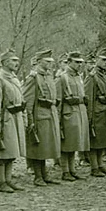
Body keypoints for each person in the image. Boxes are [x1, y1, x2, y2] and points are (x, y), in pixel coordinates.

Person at [0, 49, 26, 192]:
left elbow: (21, 101)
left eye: (16, 60)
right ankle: (1, 182)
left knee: (11, 152)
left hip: (15, 118)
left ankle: (8, 180)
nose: (16, 63)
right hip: (5, 120)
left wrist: (24, 119)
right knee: (1, 153)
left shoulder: (14, 79)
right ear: (4, 63)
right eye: (13, 60)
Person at [23, 49, 62, 186]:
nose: (50, 64)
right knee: (37, 146)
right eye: (47, 61)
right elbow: (28, 101)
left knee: (46, 146)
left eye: (51, 61)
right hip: (39, 115)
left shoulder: (48, 76)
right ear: (39, 62)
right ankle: (38, 176)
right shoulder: (33, 78)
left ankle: (44, 174)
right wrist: (29, 120)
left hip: (50, 113)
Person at [84, 50, 106, 177]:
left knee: (103, 140)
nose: (105, 63)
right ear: (97, 60)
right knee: (95, 141)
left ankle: (100, 164)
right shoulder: (92, 77)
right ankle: (94, 167)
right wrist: (90, 117)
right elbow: (89, 98)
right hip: (97, 112)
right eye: (103, 60)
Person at [56, 51, 90, 181]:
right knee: (67, 145)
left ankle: (72, 170)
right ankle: (65, 171)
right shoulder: (63, 77)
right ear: (69, 62)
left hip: (80, 112)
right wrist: (59, 121)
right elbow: (59, 100)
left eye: (81, 62)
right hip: (68, 113)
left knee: (75, 142)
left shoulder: (78, 77)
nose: (79, 65)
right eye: (76, 62)